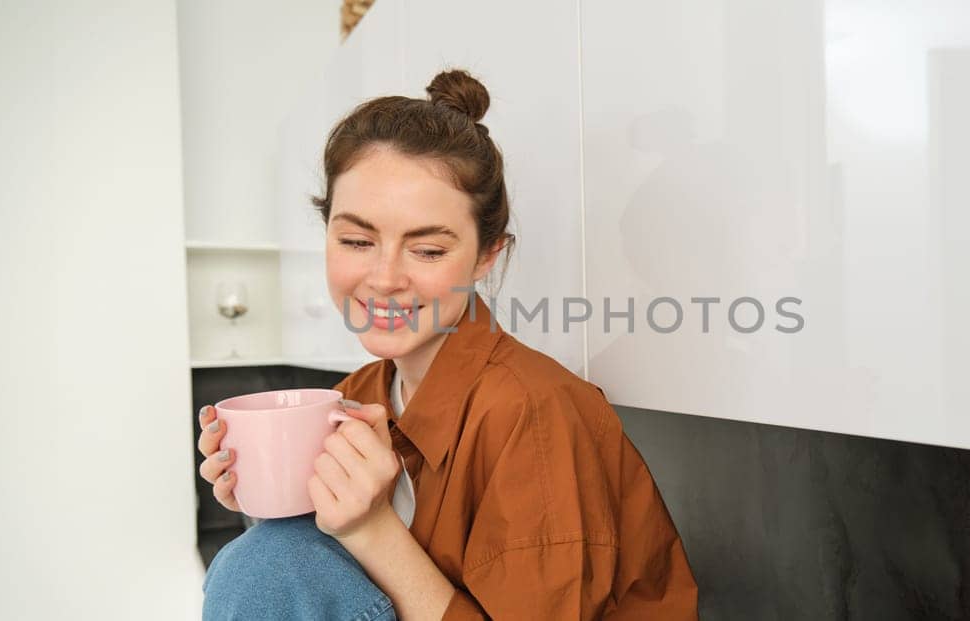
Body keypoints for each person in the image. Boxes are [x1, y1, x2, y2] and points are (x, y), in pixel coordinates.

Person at [197, 68, 698, 620]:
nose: (384, 278)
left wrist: (372, 530)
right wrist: (265, 495)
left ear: (486, 255)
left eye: (428, 251)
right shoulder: (358, 395)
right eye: (357, 240)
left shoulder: (532, 412)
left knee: (264, 564)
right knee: (266, 552)